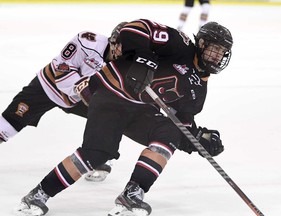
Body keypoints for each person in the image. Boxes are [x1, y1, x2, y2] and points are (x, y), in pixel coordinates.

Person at [15, 19, 233, 216]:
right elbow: (134, 29)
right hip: (111, 94)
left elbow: (181, 123)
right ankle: (39, 194)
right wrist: (144, 60)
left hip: (139, 110)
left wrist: (198, 138)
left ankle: (132, 194)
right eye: (214, 49)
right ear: (202, 44)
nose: (217, 56)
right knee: (96, 154)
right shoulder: (180, 44)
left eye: (222, 52)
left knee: (169, 133)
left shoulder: (199, 91)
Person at [0, 22, 128, 181]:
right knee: (9, 123)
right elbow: (62, 69)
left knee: (113, 115)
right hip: (49, 86)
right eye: (122, 46)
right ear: (113, 40)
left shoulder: (128, 64)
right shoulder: (87, 41)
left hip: (81, 98)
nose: (123, 52)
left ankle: (100, 155)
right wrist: (83, 89)